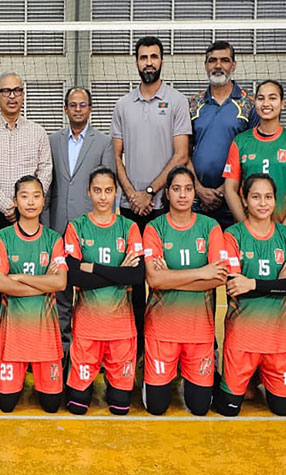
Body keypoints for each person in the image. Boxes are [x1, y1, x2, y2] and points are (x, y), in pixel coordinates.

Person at [112, 36, 192, 358]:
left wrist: (148, 192)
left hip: (162, 208)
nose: (149, 62)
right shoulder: (122, 104)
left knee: (163, 279)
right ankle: (136, 350)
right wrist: (132, 194)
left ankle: (163, 346)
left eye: (154, 56)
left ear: (161, 61)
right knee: (133, 281)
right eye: (143, 57)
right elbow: (116, 156)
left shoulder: (177, 101)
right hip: (130, 207)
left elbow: (181, 154)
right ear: (136, 62)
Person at [213, 174, 286, 417]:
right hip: (242, 340)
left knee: (282, 410)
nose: (263, 203)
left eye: (268, 197)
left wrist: (252, 283)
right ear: (244, 199)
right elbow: (234, 285)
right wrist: (278, 283)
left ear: (275, 200)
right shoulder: (232, 236)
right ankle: (236, 375)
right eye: (255, 197)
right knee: (229, 409)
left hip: (277, 341)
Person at [0, 71, 53, 343]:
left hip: (29, 220)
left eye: (17, 90)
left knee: (32, 279)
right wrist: (5, 203)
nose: (12, 96)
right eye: (6, 91)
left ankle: (31, 343)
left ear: (23, 95)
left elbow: (46, 170)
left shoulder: (38, 133)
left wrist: (26, 204)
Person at [142, 166, 226, 416]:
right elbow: (154, 279)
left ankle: (186, 378)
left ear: (194, 193)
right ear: (167, 193)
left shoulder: (210, 227)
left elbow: (219, 277)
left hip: (199, 331)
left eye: (188, 189)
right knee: (157, 408)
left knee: (200, 408)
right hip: (161, 331)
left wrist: (170, 277)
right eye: (176, 189)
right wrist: (202, 272)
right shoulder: (154, 228)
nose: (182, 195)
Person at [63, 167, 144, 415]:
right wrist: (119, 273)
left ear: (116, 192)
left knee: (120, 407)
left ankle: (112, 381)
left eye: (108, 190)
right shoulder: (76, 227)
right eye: (97, 190)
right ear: (88, 192)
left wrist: (93, 268)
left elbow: (137, 276)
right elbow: (73, 276)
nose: (102, 196)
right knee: (77, 406)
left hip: (121, 330)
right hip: (87, 329)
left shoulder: (129, 227)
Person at [48, 86, 115, 367]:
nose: (78, 109)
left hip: (91, 231)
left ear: (90, 109)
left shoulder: (104, 143)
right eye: (73, 105)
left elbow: (108, 186)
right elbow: (49, 185)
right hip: (58, 226)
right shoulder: (52, 140)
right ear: (65, 109)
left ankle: (94, 353)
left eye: (83, 104)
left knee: (91, 292)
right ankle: (63, 352)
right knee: (61, 292)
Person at [0, 175, 67, 413]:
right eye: (24, 196)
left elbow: (60, 282)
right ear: (15, 201)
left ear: (44, 201)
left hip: (45, 338)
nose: (31, 202)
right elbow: (0, 284)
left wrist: (19, 277)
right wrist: (44, 283)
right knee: (6, 405)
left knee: (52, 406)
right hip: (13, 337)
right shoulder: (2, 237)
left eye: (36, 196)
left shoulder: (54, 239)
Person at [188, 41, 258, 230]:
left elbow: (252, 155)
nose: (218, 65)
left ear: (233, 65)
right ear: (205, 65)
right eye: (212, 60)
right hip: (197, 201)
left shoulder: (250, 105)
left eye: (224, 60)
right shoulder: (193, 105)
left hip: (234, 201)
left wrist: (225, 189)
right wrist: (199, 189)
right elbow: (184, 154)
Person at [223, 80, 286, 227]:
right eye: (261, 98)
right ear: (255, 103)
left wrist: (284, 230)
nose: (266, 103)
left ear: (282, 104)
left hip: (283, 229)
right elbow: (229, 189)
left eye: (272, 98)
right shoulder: (240, 141)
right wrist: (245, 227)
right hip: (248, 232)